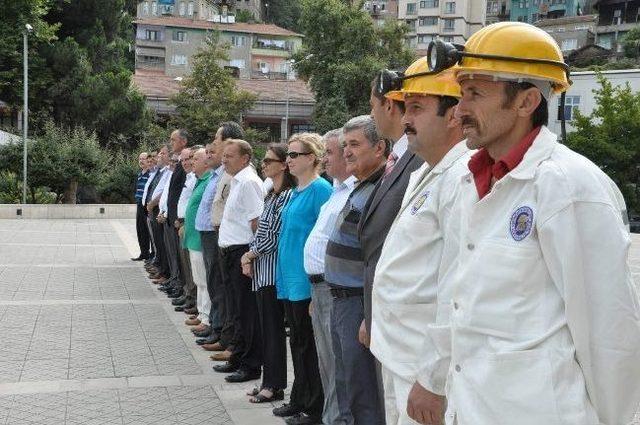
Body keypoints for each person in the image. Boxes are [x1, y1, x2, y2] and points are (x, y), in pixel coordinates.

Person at [416, 22, 640, 425]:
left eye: (475, 94)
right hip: (471, 406)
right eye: (461, 93)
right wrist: (432, 375)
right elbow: (455, 296)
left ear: (526, 101)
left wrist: (615, 419)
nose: (460, 109)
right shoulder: (471, 180)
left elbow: (609, 329)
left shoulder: (569, 185)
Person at [368, 58, 467, 425]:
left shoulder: (461, 178)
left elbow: (455, 286)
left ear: (454, 115)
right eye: (405, 107)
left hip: (423, 364)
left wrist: (433, 377)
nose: (405, 119)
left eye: (417, 108)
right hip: (399, 351)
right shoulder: (427, 171)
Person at [325, 115, 387, 424]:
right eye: (344, 145)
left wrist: (368, 313)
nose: (346, 152)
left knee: (362, 391)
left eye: (354, 144)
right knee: (346, 384)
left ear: (379, 148)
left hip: (356, 302)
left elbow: (376, 258)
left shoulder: (380, 190)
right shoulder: (360, 187)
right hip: (340, 300)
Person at [360, 71, 424, 357]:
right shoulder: (398, 157)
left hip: (403, 322)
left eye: (373, 106)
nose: (371, 114)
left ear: (388, 105)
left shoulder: (418, 158)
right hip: (382, 309)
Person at [274, 133, 332, 425]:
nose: (289, 160)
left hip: (305, 282)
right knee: (297, 343)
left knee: (308, 346)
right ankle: (299, 398)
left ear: (312, 158)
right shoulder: (296, 190)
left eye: (295, 155)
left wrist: (314, 285)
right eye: (288, 155)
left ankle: (314, 407)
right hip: (289, 279)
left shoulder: (321, 190)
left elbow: (324, 241)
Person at [304, 129, 356, 425]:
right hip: (320, 288)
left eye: (331, 153)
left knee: (338, 368)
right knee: (327, 364)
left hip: (335, 287)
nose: (327, 159)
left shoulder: (352, 191)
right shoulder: (336, 190)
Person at [240, 143, 294, 404]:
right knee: (265, 330)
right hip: (262, 270)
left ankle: (274, 385)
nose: (264, 164)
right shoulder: (272, 192)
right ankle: (267, 380)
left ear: (283, 164)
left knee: (273, 333)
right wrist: (250, 254)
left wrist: (250, 254)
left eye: (269, 160)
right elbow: (261, 230)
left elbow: (272, 235)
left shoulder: (286, 195)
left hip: (273, 273)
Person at [216, 139, 265, 383]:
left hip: (242, 252)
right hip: (230, 251)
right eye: (223, 155)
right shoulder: (237, 181)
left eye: (230, 155)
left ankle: (251, 364)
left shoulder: (248, 182)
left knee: (247, 312)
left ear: (245, 158)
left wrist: (251, 255)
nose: (224, 159)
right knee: (236, 310)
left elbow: (256, 222)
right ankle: (237, 356)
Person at [196, 122, 245, 349]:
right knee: (216, 285)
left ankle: (226, 337)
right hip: (217, 235)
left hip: (229, 241)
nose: (214, 144)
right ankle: (221, 332)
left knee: (225, 291)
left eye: (217, 139)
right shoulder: (225, 174)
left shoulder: (241, 177)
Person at [182, 148, 213, 336]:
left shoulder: (208, 180)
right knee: (199, 279)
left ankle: (206, 317)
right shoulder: (200, 181)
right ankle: (202, 313)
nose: (192, 161)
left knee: (204, 280)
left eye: (196, 158)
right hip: (193, 237)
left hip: (201, 238)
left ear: (206, 162)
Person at [132, 152, 151, 261]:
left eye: (144, 159)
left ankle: (150, 255)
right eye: (140, 158)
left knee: (148, 230)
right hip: (139, 204)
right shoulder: (139, 174)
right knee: (140, 229)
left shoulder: (150, 174)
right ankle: (143, 253)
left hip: (147, 205)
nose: (141, 161)